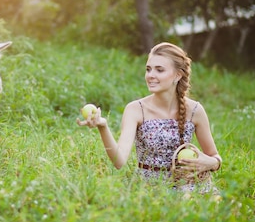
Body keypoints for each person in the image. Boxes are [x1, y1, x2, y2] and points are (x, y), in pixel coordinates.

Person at [77, 42, 222, 194]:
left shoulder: (195, 110)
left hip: (189, 185)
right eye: (148, 69)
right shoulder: (136, 109)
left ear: (178, 75)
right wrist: (103, 126)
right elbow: (118, 161)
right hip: (150, 189)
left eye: (159, 70)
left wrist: (210, 162)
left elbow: (215, 156)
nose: (151, 75)